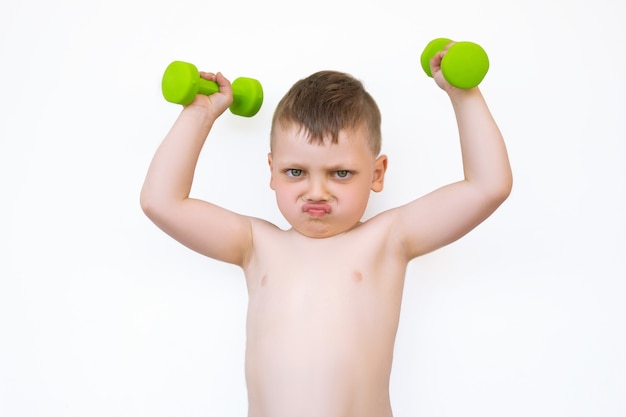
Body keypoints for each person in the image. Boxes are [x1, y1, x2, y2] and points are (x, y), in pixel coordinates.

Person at [140, 46, 512, 417]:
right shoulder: (254, 244)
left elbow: (487, 186)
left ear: (377, 174)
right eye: (296, 172)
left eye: (341, 173)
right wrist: (199, 114)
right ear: (272, 170)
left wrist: (464, 93)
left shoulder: (388, 240)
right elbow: (161, 202)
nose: (316, 192)